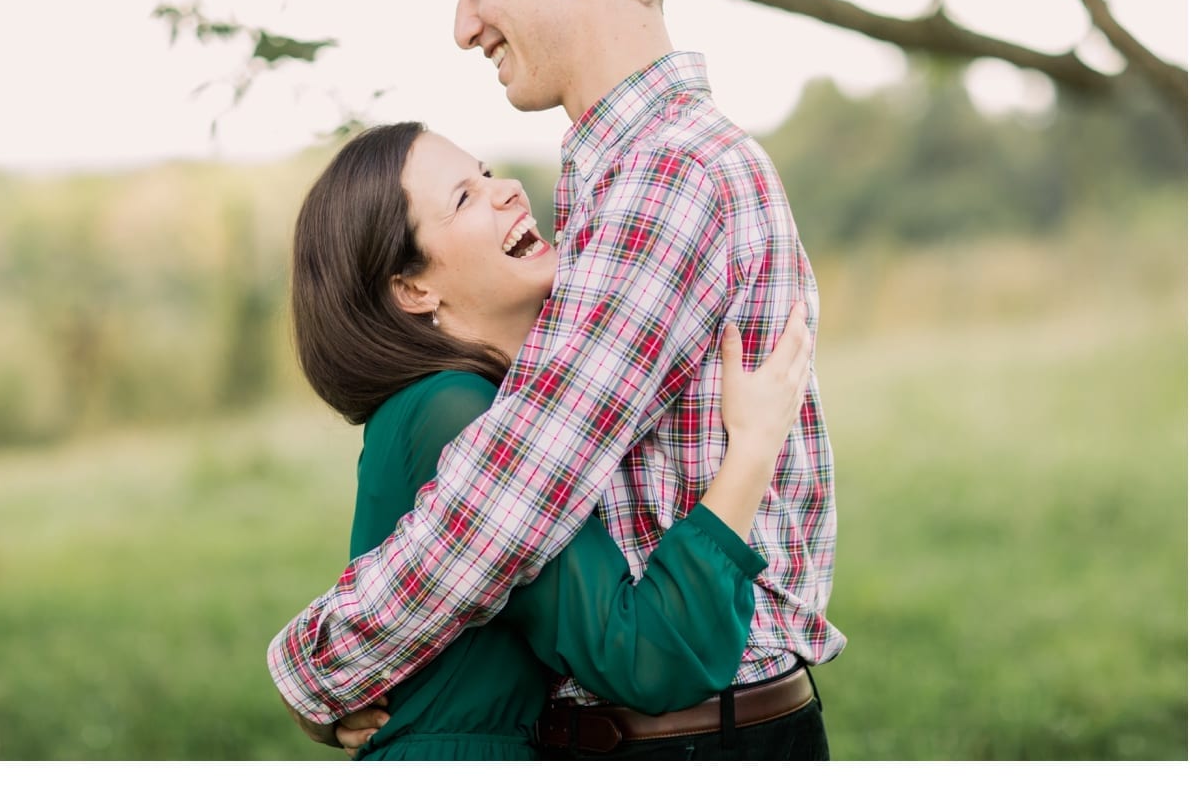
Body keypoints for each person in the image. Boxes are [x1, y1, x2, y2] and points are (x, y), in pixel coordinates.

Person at [269, 0, 844, 760]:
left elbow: (510, 500)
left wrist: (314, 665)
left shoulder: (668, 175)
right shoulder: (619, 180)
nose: (464, 26)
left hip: (693, 735)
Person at [289, 121, 812, 760]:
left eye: (484, 174)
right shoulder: (451, 408)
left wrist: (316, 680)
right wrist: (752, 450)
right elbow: (650, 655)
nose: (505, 189)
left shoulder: (478, 405)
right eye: (463, 199)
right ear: (413, 288)